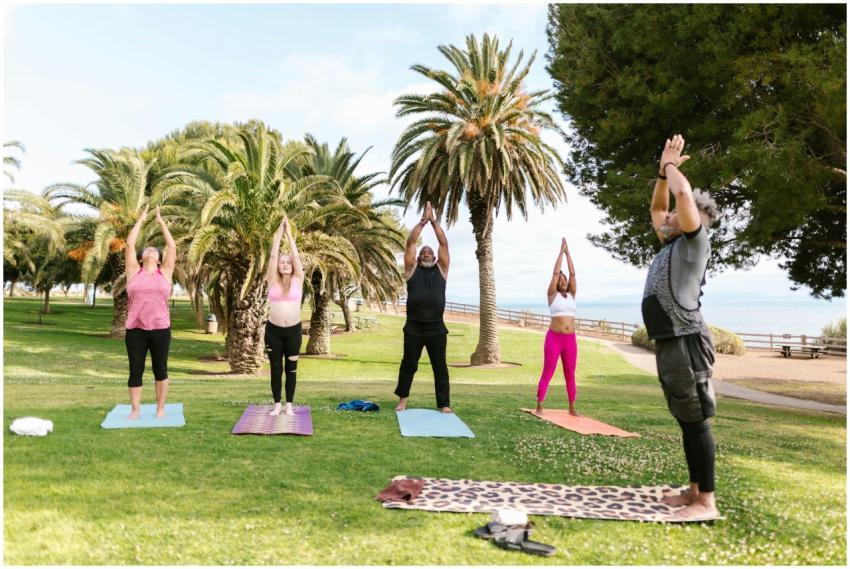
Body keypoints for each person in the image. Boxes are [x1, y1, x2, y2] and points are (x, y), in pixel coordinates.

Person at [643, 134, 721, 520]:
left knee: (697, 421)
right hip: (670, 342)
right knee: (686, 420)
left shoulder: (694, 245)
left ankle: (706, 501)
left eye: (678, 215)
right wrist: (661, 173)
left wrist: (672, 166)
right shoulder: (669, 244)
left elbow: (683, 199)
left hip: (687, 342)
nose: (669, 216)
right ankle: (693, 493)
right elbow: (659, 207)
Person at [395, 201, 452, 413]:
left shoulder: (442, 269)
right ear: (418, 258)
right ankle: (402, 400)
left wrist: (434, 222)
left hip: (436, 328)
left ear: (435, 257)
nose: (427, 253)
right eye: (423, 252)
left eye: (429, 252)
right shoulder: (411, 269)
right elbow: (410, 243)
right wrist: (422, 222)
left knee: (440, 368)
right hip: (414, 328)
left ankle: (444, 404)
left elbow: (444, 244)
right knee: (409, 365)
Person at [124, 205, 176, 419]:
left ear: (160, 258)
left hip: (160, 329)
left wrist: (162, 222)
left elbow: (171, 246)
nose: (151, 250)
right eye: (147, 249)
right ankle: (135, 410)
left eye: (155, 250)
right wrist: (142, 219)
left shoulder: (165, 272)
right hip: (135, 329)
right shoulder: (133, 272)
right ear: (141, 256)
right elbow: (129, 243)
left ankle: (160, 408)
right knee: (136, 369)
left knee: (160, 369)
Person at [265, 216, 304, 417]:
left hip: (293, 332)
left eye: (288, 262)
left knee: (291, 368)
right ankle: (277, 405)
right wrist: (278, 235)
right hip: (273, 331)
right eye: (283, 262)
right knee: (275, 369)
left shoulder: (298, 279)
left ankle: (289, 405)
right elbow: (272, 258)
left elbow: (296, 258)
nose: (286, 264)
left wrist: (289, 235)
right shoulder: (272, 279)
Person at [535, 237, 579, 416]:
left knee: (570, 373)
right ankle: (539, 405)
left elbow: (573, 274)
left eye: (564, 279)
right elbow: (554, 273)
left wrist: (569, 253)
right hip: (554, 338)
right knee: (548, 371)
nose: (563, 281)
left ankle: (572, 407)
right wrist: (560, 252)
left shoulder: (572, 294)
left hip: (570, 340)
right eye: (560, 279)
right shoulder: (552, 295)